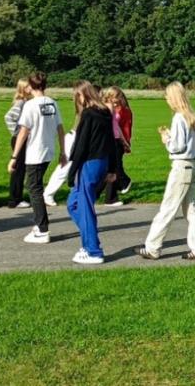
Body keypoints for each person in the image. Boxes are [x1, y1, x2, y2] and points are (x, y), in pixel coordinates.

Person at [138, 82, 195, 261]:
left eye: (168, 97)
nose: (167, 100)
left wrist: (166, 139)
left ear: (175, 98)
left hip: (181, 167)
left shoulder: (179, 117)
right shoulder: (192, 116)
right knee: (192, 210)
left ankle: (152, 247)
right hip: (192, 165)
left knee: (168, 208)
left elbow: (177, 146)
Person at [7, 72, 66, 244]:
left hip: (35, 152)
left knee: (34, 188)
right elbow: (60, 129)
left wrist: (14, 156)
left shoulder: (31, 105)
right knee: (35, 186)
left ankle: (42, 229)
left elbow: (23, 132)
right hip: (49, 150)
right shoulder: (52, 103)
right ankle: (40, 224)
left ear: (31, 87)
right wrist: (63, 152)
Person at [64, 81, 118, 265]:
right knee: (74, 205)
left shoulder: (88, 114)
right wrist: (112, 168)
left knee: (84, 206)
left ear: (81, 95)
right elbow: (112, 142)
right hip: (101, 162)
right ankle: (89, 240)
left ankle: (93, 250)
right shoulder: (105, 113)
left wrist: (71, 173)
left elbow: (81, 146)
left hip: (88, 164)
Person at [99, 86, 133, 206]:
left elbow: (121, 127)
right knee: (112, 167)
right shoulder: (106, 107)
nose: (117, 99)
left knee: (112, 168)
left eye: (118, 96)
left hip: (117, 140)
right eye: (115, 96)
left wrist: (125, 142)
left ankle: (110, 196)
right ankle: (122, 183)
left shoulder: (120, 110)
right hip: (109, 140)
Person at [3, 78, 31, 208]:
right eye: (28, 87)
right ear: (23, 89)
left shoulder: (26, 102)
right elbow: (8, 117)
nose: (31, 89)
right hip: (20, 138)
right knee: (18, 168)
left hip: (22, 137)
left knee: (21, 167)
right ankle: (15, 199)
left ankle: (17, 196)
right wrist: (16, 132)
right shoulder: (21, 102)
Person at [43, 129, 76, 207]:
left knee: (67, 168)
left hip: (75, 137)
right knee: (64, 168)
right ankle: (47, 195)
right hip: (75, 138)